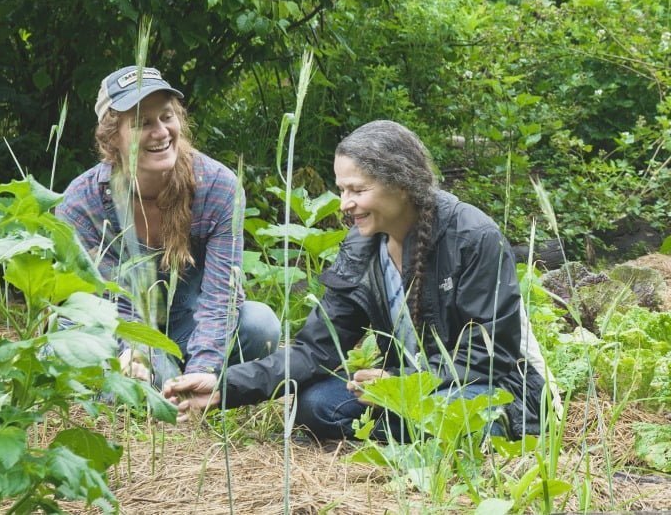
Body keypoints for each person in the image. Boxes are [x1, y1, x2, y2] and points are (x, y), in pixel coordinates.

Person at [164, 120, 555, 441]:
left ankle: (458, 429)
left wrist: (401, 385)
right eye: (341, 190)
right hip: (406, 393)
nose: (345, 204)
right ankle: (420, 431)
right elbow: (315, 349)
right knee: (315, 405)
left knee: (464, 414)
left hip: (491, 387)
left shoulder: (472, 235)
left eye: (357, 190)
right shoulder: (363, 246)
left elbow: (488, 356)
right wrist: (223, 385)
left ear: (401, 184)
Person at [56, 65, 280, 388]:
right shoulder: (81, 202)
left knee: (262, 326)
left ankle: (167, 378)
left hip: (192, 323)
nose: (160, 132)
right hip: (121, 324)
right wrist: (133, 350)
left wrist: (203, 370)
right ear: (111, 138)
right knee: (76, 348)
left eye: (166, 116)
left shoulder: (218, 187)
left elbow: (221, 297)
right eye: (142, 123)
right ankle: (147, 379)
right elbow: (100, 304)